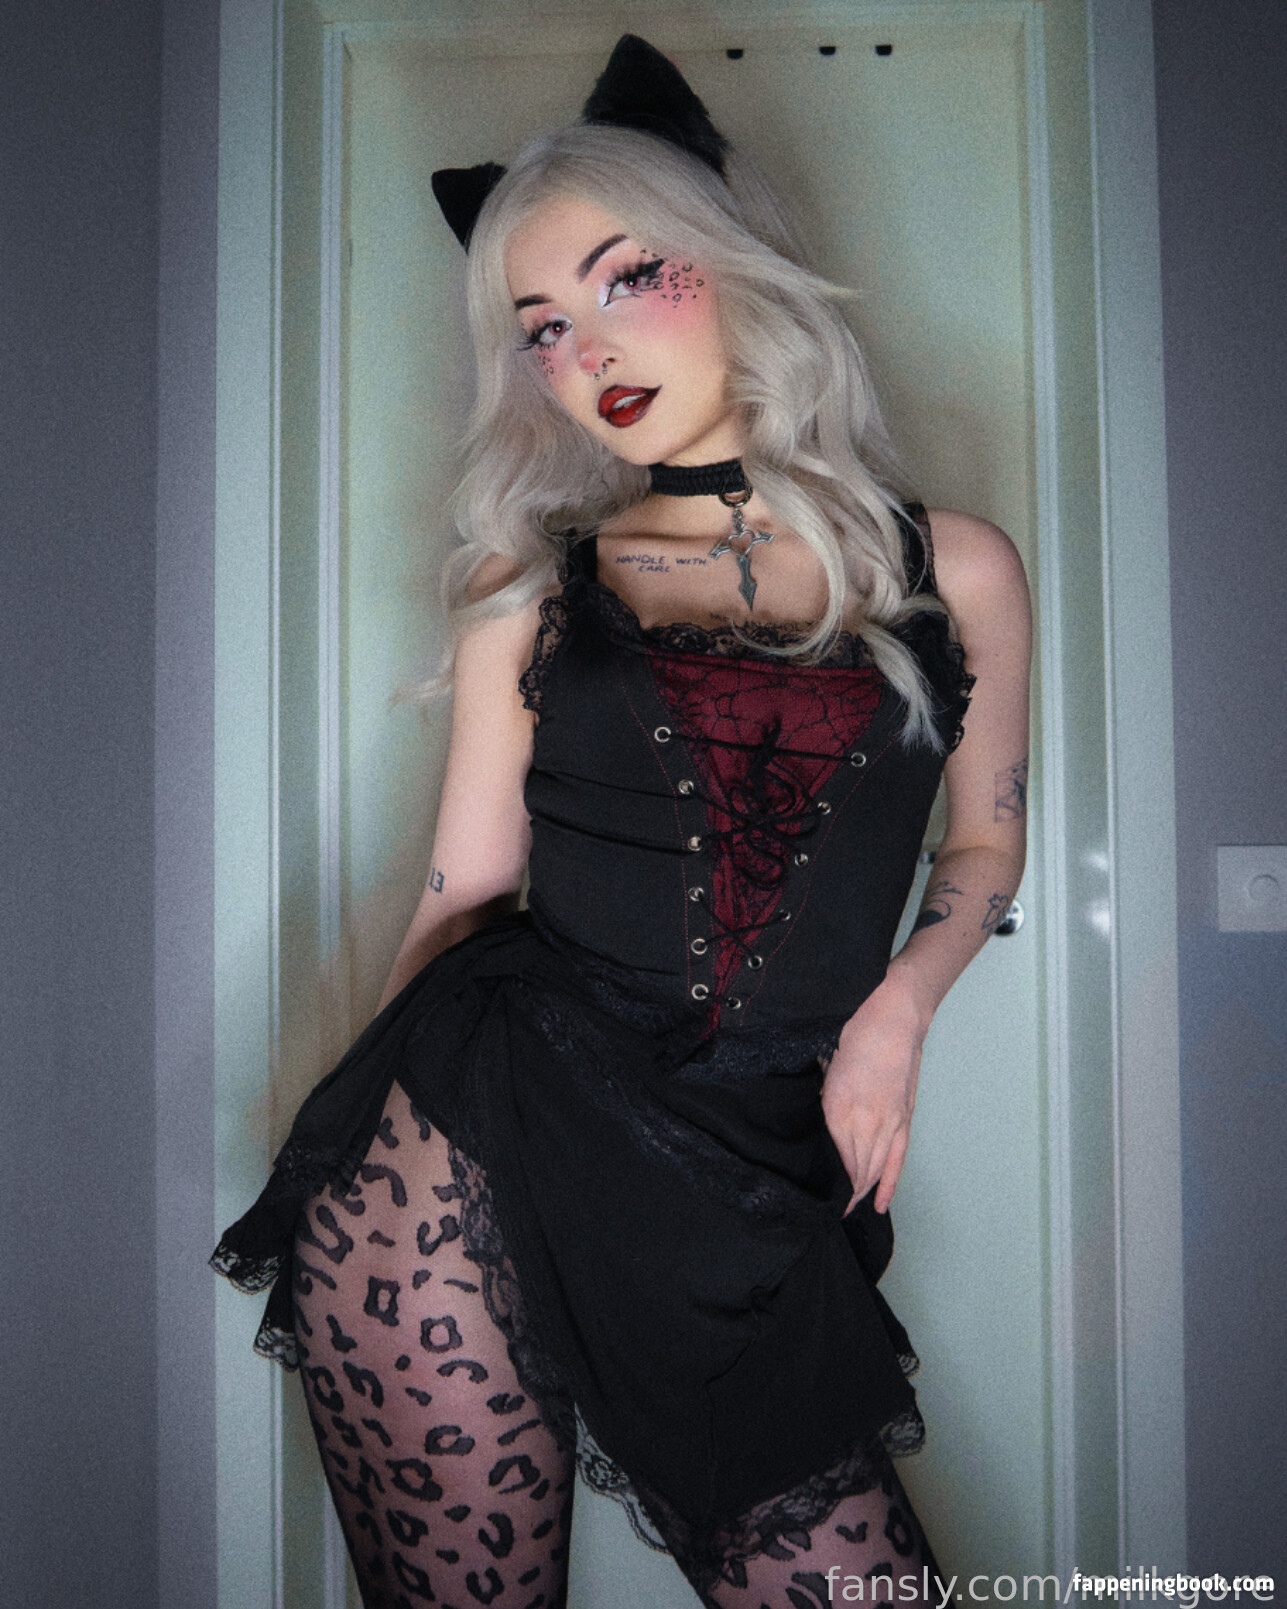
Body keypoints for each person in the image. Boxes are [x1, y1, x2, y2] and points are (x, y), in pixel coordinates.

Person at [213, 36, 1031, 1609]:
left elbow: (983, 847)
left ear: (734, 258)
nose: (584, 350)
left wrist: (897, 1015)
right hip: (465, 1156)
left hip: (748, 1174)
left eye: (624, 277)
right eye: (540, 327)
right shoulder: (532, 585)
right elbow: (463, 890)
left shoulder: (957, 566)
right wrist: (344, 1140)